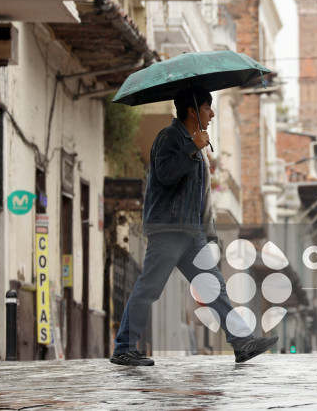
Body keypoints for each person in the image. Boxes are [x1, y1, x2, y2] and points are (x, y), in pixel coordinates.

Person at [110, 86, 277, 366]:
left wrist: (209, 235)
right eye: (206, 108)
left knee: (214, 287)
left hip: (192, 234)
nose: (211, 113)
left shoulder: (195, 144)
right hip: (169, 229)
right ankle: (124, 347)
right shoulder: (171, 138)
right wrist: (192, 148)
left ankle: (242, 343)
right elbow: (165, 174)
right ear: (192, 111)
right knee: (148, 288)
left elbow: (203, 198)